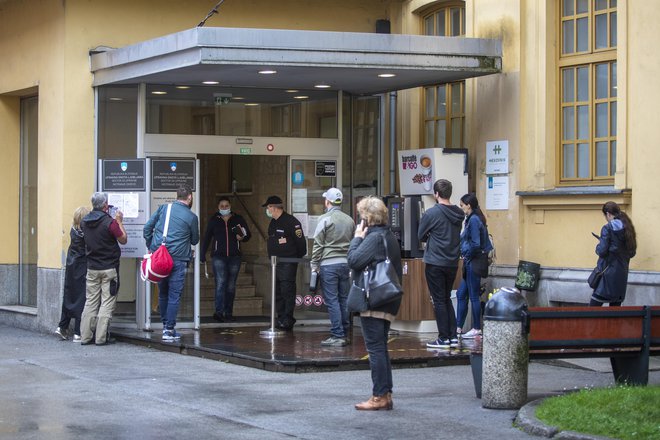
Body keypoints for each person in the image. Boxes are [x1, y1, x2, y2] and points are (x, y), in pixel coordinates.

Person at [348, 196, 402, 411]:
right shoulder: (388, 236)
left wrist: (357, 238)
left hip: (374, 299)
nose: (360, 220)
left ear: (367, 218)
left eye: (361, 216)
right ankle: (385, 394)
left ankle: (379, 396)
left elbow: (353, 260)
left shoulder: (373, 238)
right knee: (380, 347)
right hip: (387, 298)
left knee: (376, 348)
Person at [144, 186, 200, 341]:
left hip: (160, 259)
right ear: (189, 197)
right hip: (178, 259)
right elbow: (195, 240)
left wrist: (152, 246)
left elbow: (147, 228)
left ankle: (165, 327)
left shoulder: (163, 209)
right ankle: (169, 330)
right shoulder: (191, 217)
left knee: (163, 293)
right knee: (174, 295)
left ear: (177, 196)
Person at [417, 179, 465, 349]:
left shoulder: (431, 214)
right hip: (452, 262)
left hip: (435, 261)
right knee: (446, 298)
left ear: (436, 194)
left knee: (438, 300)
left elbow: (420, 235)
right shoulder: (460, 213)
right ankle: (452, 336)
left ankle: (443, 338)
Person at [80, 193, 127, 346]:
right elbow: (123, 239)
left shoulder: (84, 222)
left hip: (92, 267)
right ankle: (101, 338)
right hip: (109, 268)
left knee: (91, 302)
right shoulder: (110, 223)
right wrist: (119, 221)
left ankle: (85, 337)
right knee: (107, 302)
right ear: (106, 205)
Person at [311, 187, 355, 347]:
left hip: (328, 265)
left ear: (327, 201)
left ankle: (337, 335)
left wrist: (314, 264)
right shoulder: (349, 220)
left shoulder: (324, 219)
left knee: (332, 300)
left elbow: (318, 244)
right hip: (345, 264)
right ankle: (344, 332)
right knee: (344, 299)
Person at [200, 197, 251, 322]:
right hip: (219, 257)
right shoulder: (214, 220)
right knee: (221, 284)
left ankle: (228, 312)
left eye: (226, 205)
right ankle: (218, 312)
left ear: (230, 206)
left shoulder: (238, 219)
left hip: (235, 257)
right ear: (218, 207)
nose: (224, 208)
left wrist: (242, 238)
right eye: (221, 206)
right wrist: (202, 254)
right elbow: (207, 238)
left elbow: (248, 235)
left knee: (231, 286)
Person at [263, 195, 307, 331]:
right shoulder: (273, 222)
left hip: (287, 262)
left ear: (274, 207)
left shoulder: (291, 222)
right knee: (277, 291)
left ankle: (288, 319)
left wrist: (294, 258)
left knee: (287, 291)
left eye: (268, 207)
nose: (267, 210)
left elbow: (301, 244)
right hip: (275, 262)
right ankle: (280, 317)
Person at [455, 193, 492, 339]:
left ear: (468, 205)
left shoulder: (474, 220)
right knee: (461, 294)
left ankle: (477, 328)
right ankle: (458, 328)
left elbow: (476, 243)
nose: (461, 207)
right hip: (471, 261)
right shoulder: (471, 219)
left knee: (473, 296)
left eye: (462, 205)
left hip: (474, 262)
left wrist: (466, 254)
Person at [590, 201, 637, 306]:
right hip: (621, 276)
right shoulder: (628, 228)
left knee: (592, 311)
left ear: (608, 214)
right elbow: (632, 253)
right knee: (615, 313)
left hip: (606, 276)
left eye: (605, 216)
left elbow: (602, 251)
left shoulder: (607, 228)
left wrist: (598, 246)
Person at [55, 206, 90, 342]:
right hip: (82, 267)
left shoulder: (73, 231)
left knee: (69, 296)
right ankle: (77, 332)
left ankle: (62, 326)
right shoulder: (85, 234)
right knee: (82, 298)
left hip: (71, 266)